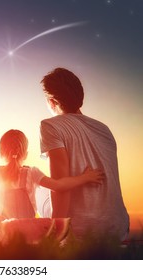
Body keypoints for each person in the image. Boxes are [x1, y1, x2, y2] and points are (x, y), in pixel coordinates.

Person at [39, 67, 129, 241]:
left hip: (81, 229)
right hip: (118, 227)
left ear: (51, 101)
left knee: (38, 185)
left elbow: (60, 185)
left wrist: (56, 237)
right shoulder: (104, 129)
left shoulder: (50, 125)